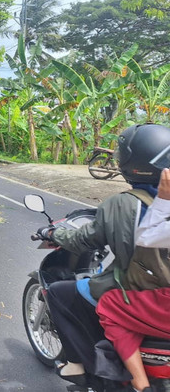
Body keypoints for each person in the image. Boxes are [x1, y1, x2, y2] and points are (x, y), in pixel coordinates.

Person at [39, 123, 170, 387]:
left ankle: (81, 366)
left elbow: (82, 240)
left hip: (143, 293)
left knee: (60, 293)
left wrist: (52, 233)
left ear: (132, 163)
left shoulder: (122, 204)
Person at [96, 167, 170, 392]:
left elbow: (146, 237)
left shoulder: (121, 201)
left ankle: (140, 382)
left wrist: (163, 200)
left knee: (110, 304)